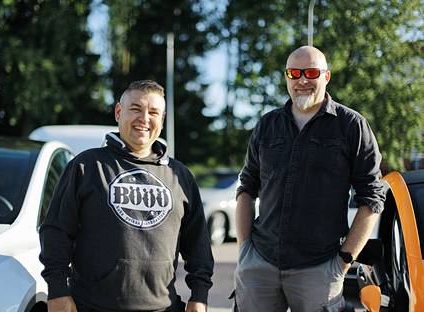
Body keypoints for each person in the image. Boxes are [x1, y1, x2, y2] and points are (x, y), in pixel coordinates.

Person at [233, 46, 386, 311]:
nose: (302, 80)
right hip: (260, 262)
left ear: (326, 77)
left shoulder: (352, 126)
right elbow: (247, 187)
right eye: (295, 73)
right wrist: (245, 249)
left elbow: (372, 197)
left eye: (312, 72)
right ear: (286, 78)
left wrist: (344, 260)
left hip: (320, 268)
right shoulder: (267, 125)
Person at [39, 80, 214, 312]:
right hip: (92, 306)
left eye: (153, 112)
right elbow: (56, 231)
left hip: (163, 307)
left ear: (161, 121)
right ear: (119, 112)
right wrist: (58, 290)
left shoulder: (179, 175)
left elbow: (198, 243)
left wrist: (199, 296)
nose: (144, 118)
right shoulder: (87, 166)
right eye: (135, 109)